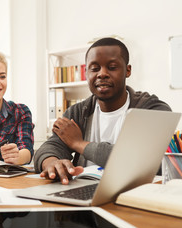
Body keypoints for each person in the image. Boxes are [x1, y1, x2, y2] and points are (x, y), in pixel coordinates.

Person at [34, 37, 171, 185]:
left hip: (134, 194)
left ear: (128, 70)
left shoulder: (153, 110)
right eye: (94, 68)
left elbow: (136, 161)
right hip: (83, 190)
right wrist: (51, 163)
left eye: (112, 67)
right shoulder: (78, 112)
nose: (102, 74)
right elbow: (50, 147)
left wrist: (79, 144)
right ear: (86, 73)